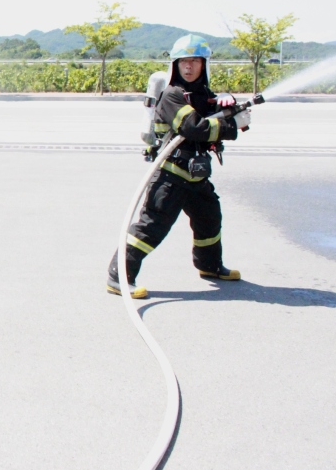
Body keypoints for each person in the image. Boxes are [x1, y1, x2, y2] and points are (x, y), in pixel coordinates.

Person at [106, 34, 251, 298]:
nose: (188, 66)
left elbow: (211, 113)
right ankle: (118, 277)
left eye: (195, 61)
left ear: (204, 65)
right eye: (184, 61)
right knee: (151, 227)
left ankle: (209, 266)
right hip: (171, 176)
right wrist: (230, 126)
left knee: (209, 218)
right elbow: (194, 128)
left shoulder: (203, 94)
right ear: (175, 64)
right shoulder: (173, 95)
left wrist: (228, 102)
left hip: (195, 176)